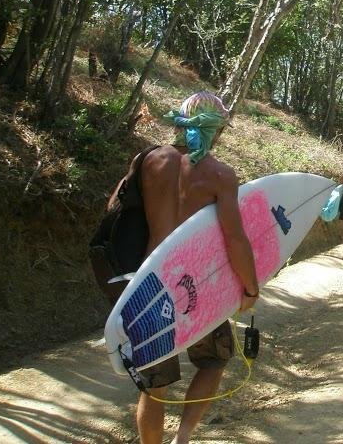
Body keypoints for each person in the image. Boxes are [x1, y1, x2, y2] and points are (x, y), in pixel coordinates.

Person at [117, 91, 260, 444]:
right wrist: (250, 288)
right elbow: (235, 239)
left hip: (148, 284)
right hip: (199, 287)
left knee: (154, 386)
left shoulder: (148, 159)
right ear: (216, 129)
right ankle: (182, 439)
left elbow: (118, 210)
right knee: (213, 360)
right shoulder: (220, 175)